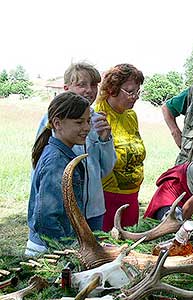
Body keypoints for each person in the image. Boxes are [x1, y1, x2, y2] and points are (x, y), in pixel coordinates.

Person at [35, 62, 116, 231]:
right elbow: (43, 170)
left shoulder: (97, 120)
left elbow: (105, 170)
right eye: (81, 85)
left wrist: (105, 140)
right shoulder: (54, 120)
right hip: (64, 212)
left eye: (94, 85)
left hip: (94, 210)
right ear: (66, 88)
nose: (89, 90)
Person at [26, 92, 91, 256]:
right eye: (79, 122)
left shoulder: (63, 155)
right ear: (57, 123)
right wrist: (65, 250)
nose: (87, 127)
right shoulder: (57, 161)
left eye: (88, 121)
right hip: (48, 252)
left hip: (55, 247)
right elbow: (45, 218)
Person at [94, 63, 146, 232]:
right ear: (112, 89)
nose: (135, 97)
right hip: (106, 199)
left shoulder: (131, 116)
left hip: (131, 196)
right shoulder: (98, 117)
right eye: (130, 91)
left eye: (137, 91)